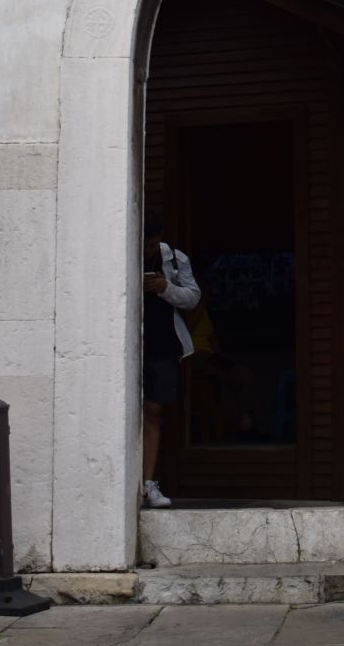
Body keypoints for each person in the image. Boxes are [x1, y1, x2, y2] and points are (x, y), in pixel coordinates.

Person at [141, 211, 201, 509]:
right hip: (128, 343)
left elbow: (192, 298)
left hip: (162, 343)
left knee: (153, 411)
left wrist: (165, 288)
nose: (148, 251)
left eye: (152, 245)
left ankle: (147, 483)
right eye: (144, 246)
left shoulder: (176, 259)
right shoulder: (121, 252)